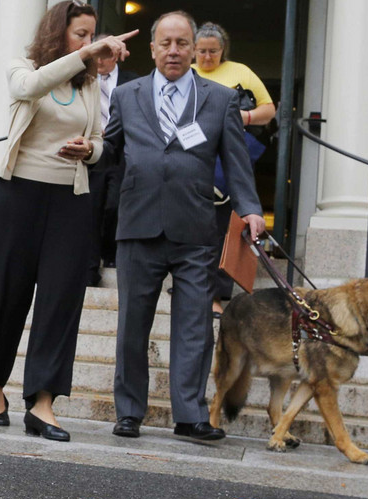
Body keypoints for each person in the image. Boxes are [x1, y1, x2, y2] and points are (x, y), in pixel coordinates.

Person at [100, 11, 265, 442]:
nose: (174, 51)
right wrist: (88, 152)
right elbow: (110, 148)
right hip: (138, 226)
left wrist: (249, 208)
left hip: (196, 229)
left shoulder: (220, 99)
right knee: (132, 325)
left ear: (195, 49)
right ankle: (129, 411)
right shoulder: (126, 95)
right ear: (152, 48)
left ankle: (190, 416)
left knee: (195, 325)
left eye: (182, 43)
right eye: (165, 43)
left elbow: (236, 161)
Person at [0, 1, 134, 442]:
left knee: (61, 301)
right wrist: (87, 56)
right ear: (57, 33)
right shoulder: (22, 66)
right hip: (17, 196)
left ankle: (42, 403)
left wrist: (90, 151)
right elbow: (29, 88)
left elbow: (103, 142)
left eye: (91, 36)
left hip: (71, 200)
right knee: (6, 295)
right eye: (79, 34)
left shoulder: (88, 85)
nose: (88, 43)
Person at [192, 21, 275, 316]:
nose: (206, 57)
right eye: (201, 51)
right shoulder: (186, 72)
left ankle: (216, 294)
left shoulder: (241, 72)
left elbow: (269, 110)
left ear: (222, 49)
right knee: (192, 225)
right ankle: (188, 287)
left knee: (225, 227)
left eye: (212, 51)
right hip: (192, 160)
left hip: (227, 161)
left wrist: (245, 117)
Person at [86, 37, 139, 286]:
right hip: (92, 153)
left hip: (120, 154)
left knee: (114, 204)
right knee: (91, 206)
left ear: (116, 55)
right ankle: (89, 265)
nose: (99, 61)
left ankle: (110, 253)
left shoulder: (133, 81)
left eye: (105, 55)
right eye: (97, 55)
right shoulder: (84, 79)